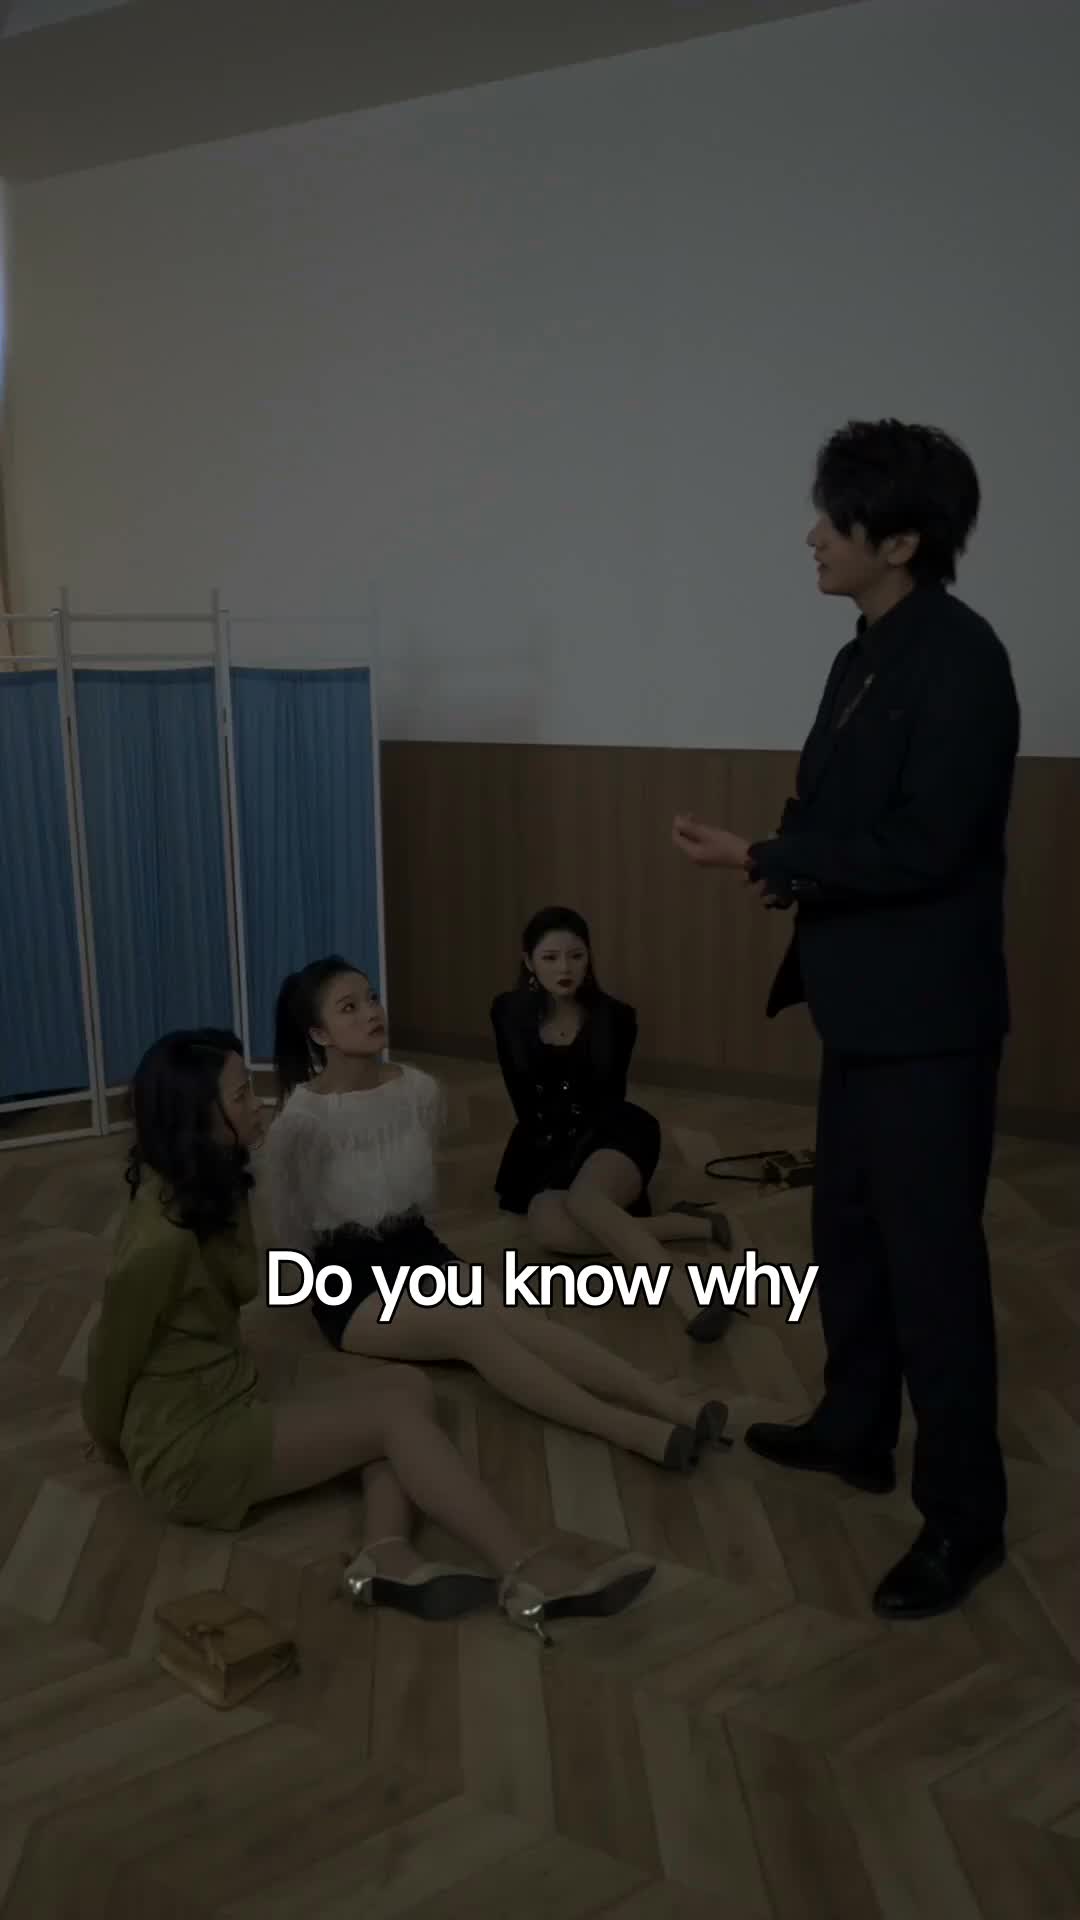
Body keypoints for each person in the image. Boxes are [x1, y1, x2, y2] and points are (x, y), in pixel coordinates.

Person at [672, 418, 1019, 1621]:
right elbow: (837, 811)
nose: (812, 535)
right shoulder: (859, 653)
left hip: (930, 1020)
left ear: (902, 540)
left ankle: (965, 1519)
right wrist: (781, 859)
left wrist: (771, 856)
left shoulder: (961, 659)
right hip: (863, 1007)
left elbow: (931, 844)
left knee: (934, 1265)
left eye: (834, 517)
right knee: (851, 1232)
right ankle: (856, 1427)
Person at [81, 1027, 656, 1642]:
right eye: (242, 1095)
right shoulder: (156, 1243)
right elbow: (109, 1359)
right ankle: (525, 1571)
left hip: (226, 1401)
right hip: (188, 1452)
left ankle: (384, 1555)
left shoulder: (210, 1183)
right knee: (392, 1422)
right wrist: (115, 1447)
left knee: (407, 1389)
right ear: (199, 1118)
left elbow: (238, 1277)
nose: (259, 1105)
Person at [260, 956, 729, 1473]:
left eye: (371, 997)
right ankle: (631, 1431)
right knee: (471, 1331)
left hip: (418, 1250)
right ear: (319, 1033)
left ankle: (670, 1404)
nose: (372, 1012)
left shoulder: (415, 1089)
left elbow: (411, 1198)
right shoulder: (300, 1123)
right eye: (349, 1008)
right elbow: (290, 1230)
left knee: (514, 1319)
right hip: (350, 1285)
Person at [491, 905, 742, 1342]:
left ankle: (688, 1295)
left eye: (576, 956)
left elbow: (605, 1100)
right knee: (551, 1231)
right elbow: (522, 1097)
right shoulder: (507, 1012)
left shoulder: (616, 1018)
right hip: (546, 1144)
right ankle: (689, 1225)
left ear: (589, 959)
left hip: (612, 1133)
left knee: (587, 1203)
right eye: (550, 957)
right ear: (528, 962)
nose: (565, 968)